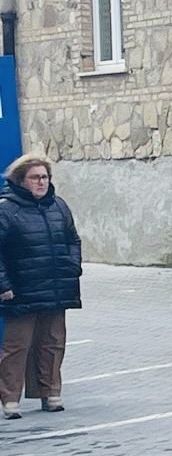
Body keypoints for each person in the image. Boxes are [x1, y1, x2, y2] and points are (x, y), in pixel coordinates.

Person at [0, 155, 81, 419]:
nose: (41, 182)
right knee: (17, 346)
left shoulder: (58, 206)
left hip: (56, 286)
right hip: (21, 289)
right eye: (35, 177)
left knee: (53, 343)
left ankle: (51, 393)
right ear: (21, 181)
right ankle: (10, 399)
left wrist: (72, 265)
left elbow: (72, 239)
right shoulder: (6, 209)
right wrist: (3, 285)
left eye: (45, 177)